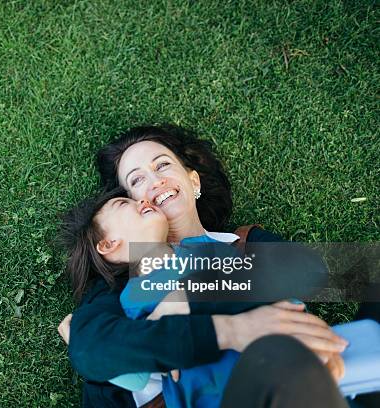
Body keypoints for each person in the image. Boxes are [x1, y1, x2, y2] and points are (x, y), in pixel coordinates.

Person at [58, 124, 348, 407]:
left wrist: (183, 301)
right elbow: (91, 348)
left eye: (162, 165)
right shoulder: (122, 282)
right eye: (136, 180)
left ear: (193, 181)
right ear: (130, 201)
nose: (155, 181)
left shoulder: (243, 242)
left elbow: (309, 272)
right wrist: (222, 323)